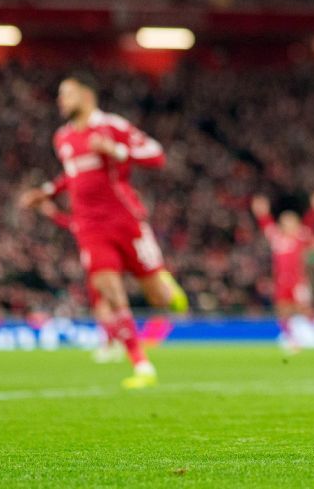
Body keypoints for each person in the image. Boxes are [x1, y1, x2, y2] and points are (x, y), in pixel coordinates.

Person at [19, 73, 171, 389]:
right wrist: (46, 191)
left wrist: (116, 150)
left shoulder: (112, 126)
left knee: (160, 297)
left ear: (87, 96)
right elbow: (72, 175)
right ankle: (141, 364)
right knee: (108, 289)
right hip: (89, 225)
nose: (61, 100)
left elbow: (156, 155)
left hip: (125, 220)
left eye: (67, 93)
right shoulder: (62, 137)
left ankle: (168, 284)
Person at [36, 200, 188, 363]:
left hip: (107, 260)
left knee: (107, 304)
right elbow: (71, 224)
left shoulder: (97, 220)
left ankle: (117, 344)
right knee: (103, 305)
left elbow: (70, 223)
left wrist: (52, 212)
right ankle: (113, 342)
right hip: (101, 261)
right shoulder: (88, 221)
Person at [251, 195, 314, 354]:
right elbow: (266, 224)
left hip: (298, 282)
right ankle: (291, 339)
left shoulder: (300, 237)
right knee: (282, 311)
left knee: (304, 309)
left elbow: (311, 222)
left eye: (291, 222)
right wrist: (261, 212)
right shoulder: (276, 237)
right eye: (285, 223)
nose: (288, 226)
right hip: (281, 282)